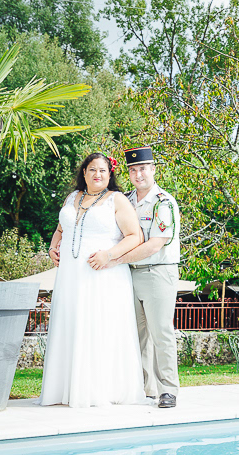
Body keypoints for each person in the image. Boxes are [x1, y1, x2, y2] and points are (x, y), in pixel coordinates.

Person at [38, 153, 148, 408]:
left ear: (110, 175)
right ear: (84, 173)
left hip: (103, 275)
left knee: (97, 327)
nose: (97, 175)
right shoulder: (71, 198)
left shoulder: (116, 200)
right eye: (92, 170)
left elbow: (135, 236)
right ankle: (65, 389)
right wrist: (54, 247)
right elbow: (61, 228)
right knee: (70, 324)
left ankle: (99, 390)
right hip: (69, 277)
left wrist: (108, 255)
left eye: (103, 171)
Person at [100, 146, 181, 408]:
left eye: (143, 168)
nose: (138, 174)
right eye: (133, 170)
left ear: (153, 170)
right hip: (129, 275)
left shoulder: (163, 202)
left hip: (158, 272)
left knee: (161, 334)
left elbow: (155, 244)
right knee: (136, 335)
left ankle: (168, 390)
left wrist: (116, 259)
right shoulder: (124, 199)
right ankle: (144, 388)